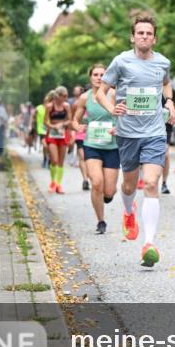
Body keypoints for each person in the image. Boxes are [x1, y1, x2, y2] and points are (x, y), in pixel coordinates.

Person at [95, 12, 175, 266]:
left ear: (155, 39)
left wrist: (170, 102)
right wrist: (111, 109)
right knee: (129, 186)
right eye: (140, 33)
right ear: (133, 37)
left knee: (151, 183)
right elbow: (101, 92)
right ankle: (129, 212)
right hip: (128, 133)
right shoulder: (121, 61)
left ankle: (148, 244)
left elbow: (166, 85)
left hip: (154, 132)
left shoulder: (162, 62)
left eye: (148, 33)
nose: (144, 36)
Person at [71, 64, 120, 234]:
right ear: (90, 77)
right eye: (96, 74)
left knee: (109, 190)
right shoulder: (84, 98)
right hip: (92, 144)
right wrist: (78, 127)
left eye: (102, 74)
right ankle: (101, 221)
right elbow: (75, 120)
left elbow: (125, 116)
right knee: (96, 182)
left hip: (112, 145)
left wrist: (118, 128)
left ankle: (108, 195)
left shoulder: (113, 94)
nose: (99, 77)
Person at [44, 86, 74, 193]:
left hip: (62, 135)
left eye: (66, 96)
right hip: (52, 135)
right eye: (64, 96)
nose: (66, 98)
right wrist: (53, 126)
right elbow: (45, 122)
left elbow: (70, 120)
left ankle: (58, 185)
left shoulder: (66, 106)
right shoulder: (49, 106)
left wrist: (63, 124)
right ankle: (52, 182)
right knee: (54, 160)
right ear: (58, 96)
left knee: (61, 162)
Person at [70, 85, 88, 189]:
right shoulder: (77, 104)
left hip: (95, 135)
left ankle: (91, 177)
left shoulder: (100, 103)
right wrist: (73, 133)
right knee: (82, 157)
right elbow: (73, 120)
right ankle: (85, 179)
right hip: (80, 135)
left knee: (89, 158)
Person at [36, 96, 50, 167]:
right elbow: (34, 116)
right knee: (45, 145)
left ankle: (49, 160)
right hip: (41, 129)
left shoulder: (51, 108)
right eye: (46, 101)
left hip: (49, 129)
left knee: (49, 146)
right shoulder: (39, 108)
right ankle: (45, 159)